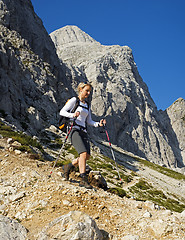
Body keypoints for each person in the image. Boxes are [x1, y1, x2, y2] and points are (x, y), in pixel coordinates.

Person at [59, 82, 106, 189]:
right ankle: (83, 180)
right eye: (87, 91)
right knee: (83, 154)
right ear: (80, 89)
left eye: (90, 91)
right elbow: (62, 112)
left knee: (86, 156)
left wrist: (99, 124)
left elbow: (89, 121)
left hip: (83, 131)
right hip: (73, 129)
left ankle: (67, 167)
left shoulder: (87, 105)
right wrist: (73, 115)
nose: (88, 93)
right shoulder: (74, 100)